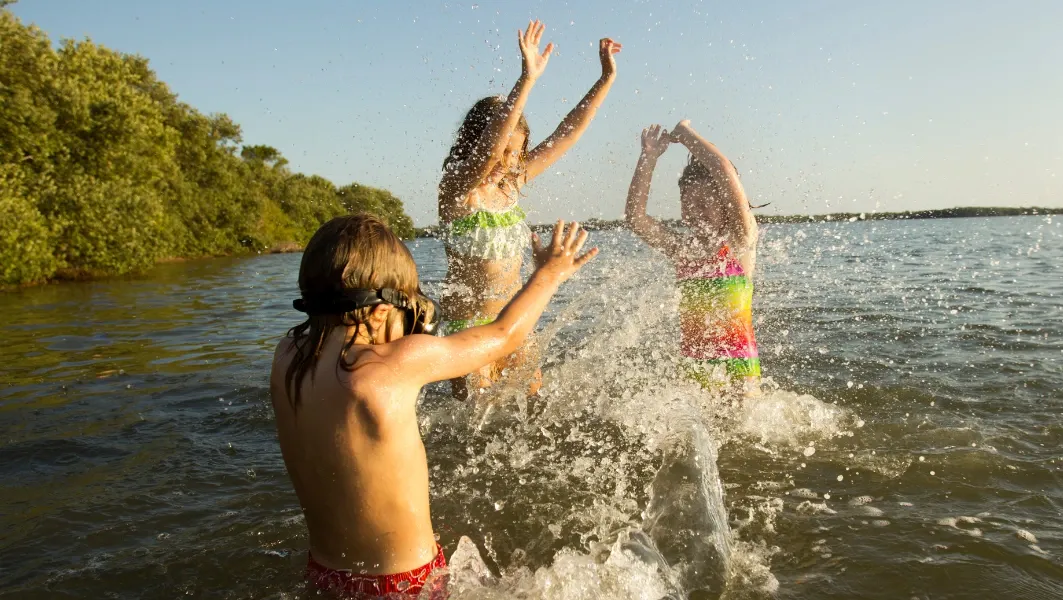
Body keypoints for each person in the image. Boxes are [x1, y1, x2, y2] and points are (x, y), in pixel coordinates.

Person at [269, 214, 597, 597]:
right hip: (402, 583)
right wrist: (549, 274)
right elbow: (504, 335)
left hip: (325, 574)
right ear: (379, 309)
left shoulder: (286, 357)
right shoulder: (391, 365)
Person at [437, 19, 621, 400]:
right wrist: (526, 80)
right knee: (477, 422)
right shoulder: (456, 189)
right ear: (474, 143)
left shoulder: (512, 184)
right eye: (503, 150)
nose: (507, 161)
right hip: (468, 328)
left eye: (516, 152)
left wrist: (605, 80)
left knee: (534, 409)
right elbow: (488, 153)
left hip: (514, 322)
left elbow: (566, 135)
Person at [624, 120, 761, 396]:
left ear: (726, 204)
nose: (695, 211)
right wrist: (648, 157)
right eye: (688, 202)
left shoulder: (739, 241)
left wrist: (686, 134)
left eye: (705, 202)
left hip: (739, 371)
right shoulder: (682, 250)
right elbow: (635, 218)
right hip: (694, 369)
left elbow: (723, 171)